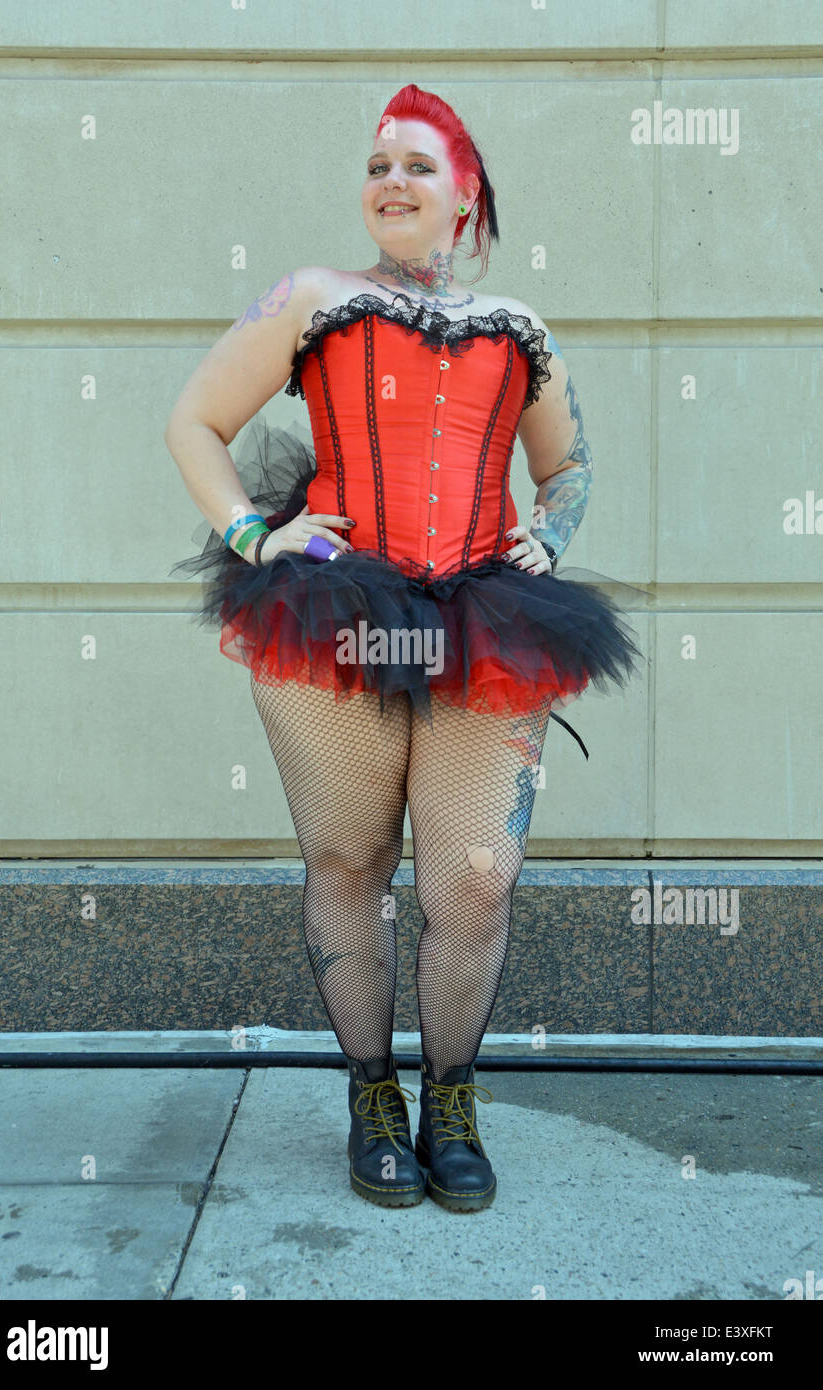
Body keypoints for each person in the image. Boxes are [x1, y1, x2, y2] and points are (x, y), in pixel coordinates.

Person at [164, 83, 643, 1214]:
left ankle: (452, 1095)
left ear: (462, 192)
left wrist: (548, 536)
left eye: (418, 166)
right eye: (377, 164)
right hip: (332, 615)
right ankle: (371, 1094)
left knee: (475, 879)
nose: (390, 180)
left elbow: (565, 465)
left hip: (485, 618)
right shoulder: (310, 297)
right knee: (347, 864)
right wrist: (256, 532)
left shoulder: (517, 325)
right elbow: (194, 421)